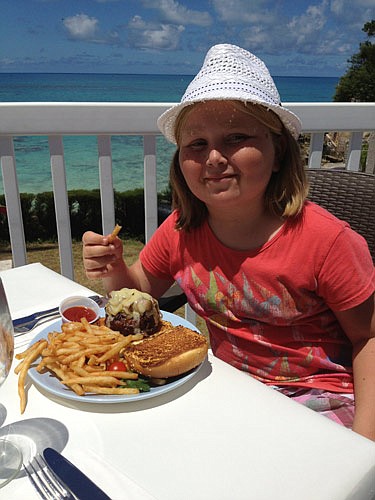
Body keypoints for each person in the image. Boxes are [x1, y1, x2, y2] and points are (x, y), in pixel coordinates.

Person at [82, 44, 375, 441]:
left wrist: (364, 446)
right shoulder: (181, 229)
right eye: (197, 144)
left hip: (321, 399)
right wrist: (114, 268)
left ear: (277, 154)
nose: (214, 157)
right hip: (224, 388)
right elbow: (137, 292)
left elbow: (368, 337)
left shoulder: (327, 242)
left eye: (236, 137)